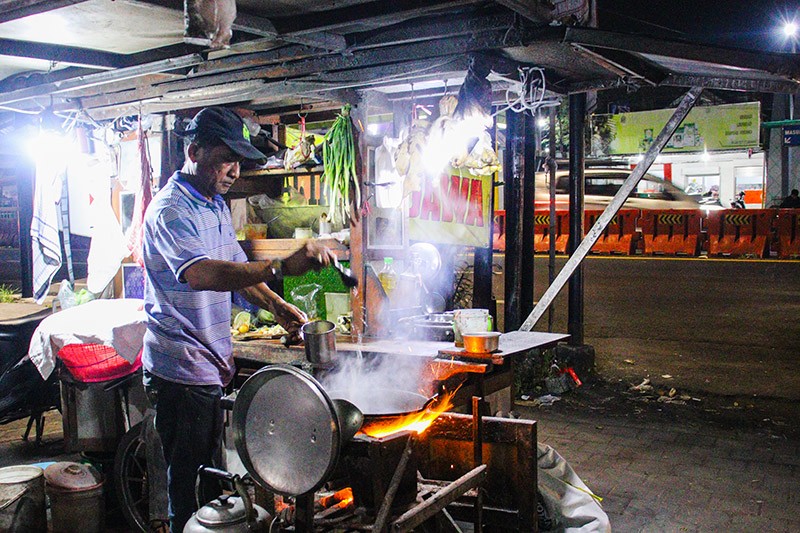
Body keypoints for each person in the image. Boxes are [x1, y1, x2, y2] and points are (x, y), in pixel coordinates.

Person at [142, 106, 336, 531]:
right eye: (225, 158)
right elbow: (203, 274)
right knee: (190, 488)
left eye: (238, 161)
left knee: (211, 485)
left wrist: (280, 308)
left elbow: (235, 272)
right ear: (194, 151)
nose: (233, 170)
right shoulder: (171, 211)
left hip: (209, 365)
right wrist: (282, 267)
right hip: (181, 367)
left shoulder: (212, 205)